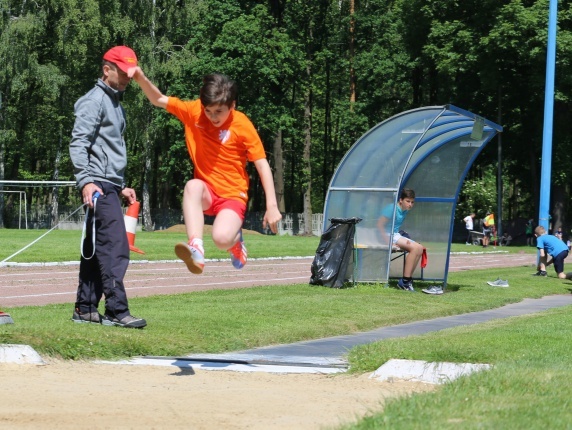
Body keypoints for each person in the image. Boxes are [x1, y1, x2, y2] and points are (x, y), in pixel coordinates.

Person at [129, 69, 282, 273]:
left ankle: (235, 241)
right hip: (207, 192)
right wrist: (140, 78)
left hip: (232, 195)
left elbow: (262, 164)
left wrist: (271, 205)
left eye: (219, 112)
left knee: (221, 239)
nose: (212, 117)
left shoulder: (242, 124)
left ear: (232, 106)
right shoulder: (194, 111)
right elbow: (158, 99)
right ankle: (196, 248)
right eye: (208, 111)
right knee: (192, 186)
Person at [69, 46, 146, 329]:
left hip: (109, 183)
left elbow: (108, 149)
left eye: (131, 73)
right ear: (107, 70)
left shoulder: (115, 103)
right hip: (97, 183)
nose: (127, 78)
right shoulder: (94, 101)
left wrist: (121, 186)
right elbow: (79, 143)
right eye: (123, 72)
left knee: (95, 247)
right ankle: (116, 310)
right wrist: (86, 181)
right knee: (115, 246)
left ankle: (86, 308)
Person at [377, 188, 424, 292]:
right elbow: (379, 225)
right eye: (408, 201)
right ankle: (405, 282)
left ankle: (408, 280)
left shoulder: (405, 210)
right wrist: (389, 243)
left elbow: (395, 228)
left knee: (420, 248)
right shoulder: (392, 208)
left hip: (395, 235)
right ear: (401, 200)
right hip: (385, 236)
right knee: (414, 249)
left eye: (412, 202)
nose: (410, 204)